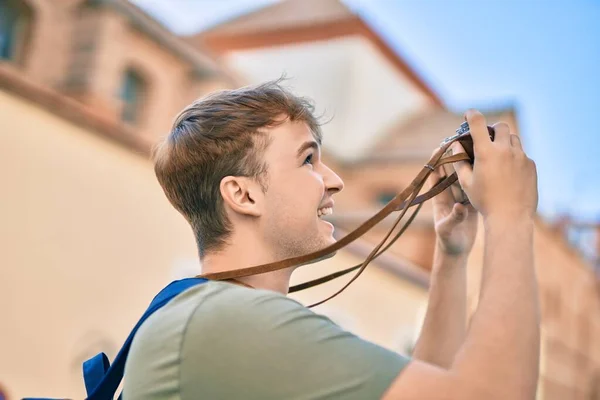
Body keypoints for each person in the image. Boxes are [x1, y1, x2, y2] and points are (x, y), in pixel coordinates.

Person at [122, 80, 540, 399]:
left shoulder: (220, 317)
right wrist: (512, 216)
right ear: (243, 195)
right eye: (308, 159)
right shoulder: (226, 321)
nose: (335, 182)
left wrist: (452, 254)